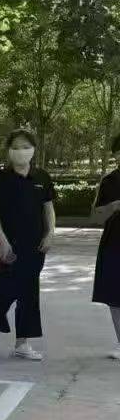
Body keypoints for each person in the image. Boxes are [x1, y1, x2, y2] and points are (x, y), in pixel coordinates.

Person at [0, 129, 56, 361]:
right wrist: (2, 240)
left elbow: (49, 209)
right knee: (3, 290)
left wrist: (50, 233)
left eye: (25, 147)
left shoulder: (42, 177)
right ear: (8, 151)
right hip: (8, 245)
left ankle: (22, 343)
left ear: (33, 149)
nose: (21, 151)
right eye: (15, 147)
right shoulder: (0, 178)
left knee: (29, 293)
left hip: (35, 245)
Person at [91, 133, 120, 361]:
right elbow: (96, 216)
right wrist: (113, 206)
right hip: (114, 245)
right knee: (114, 297)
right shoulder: (109, 181)